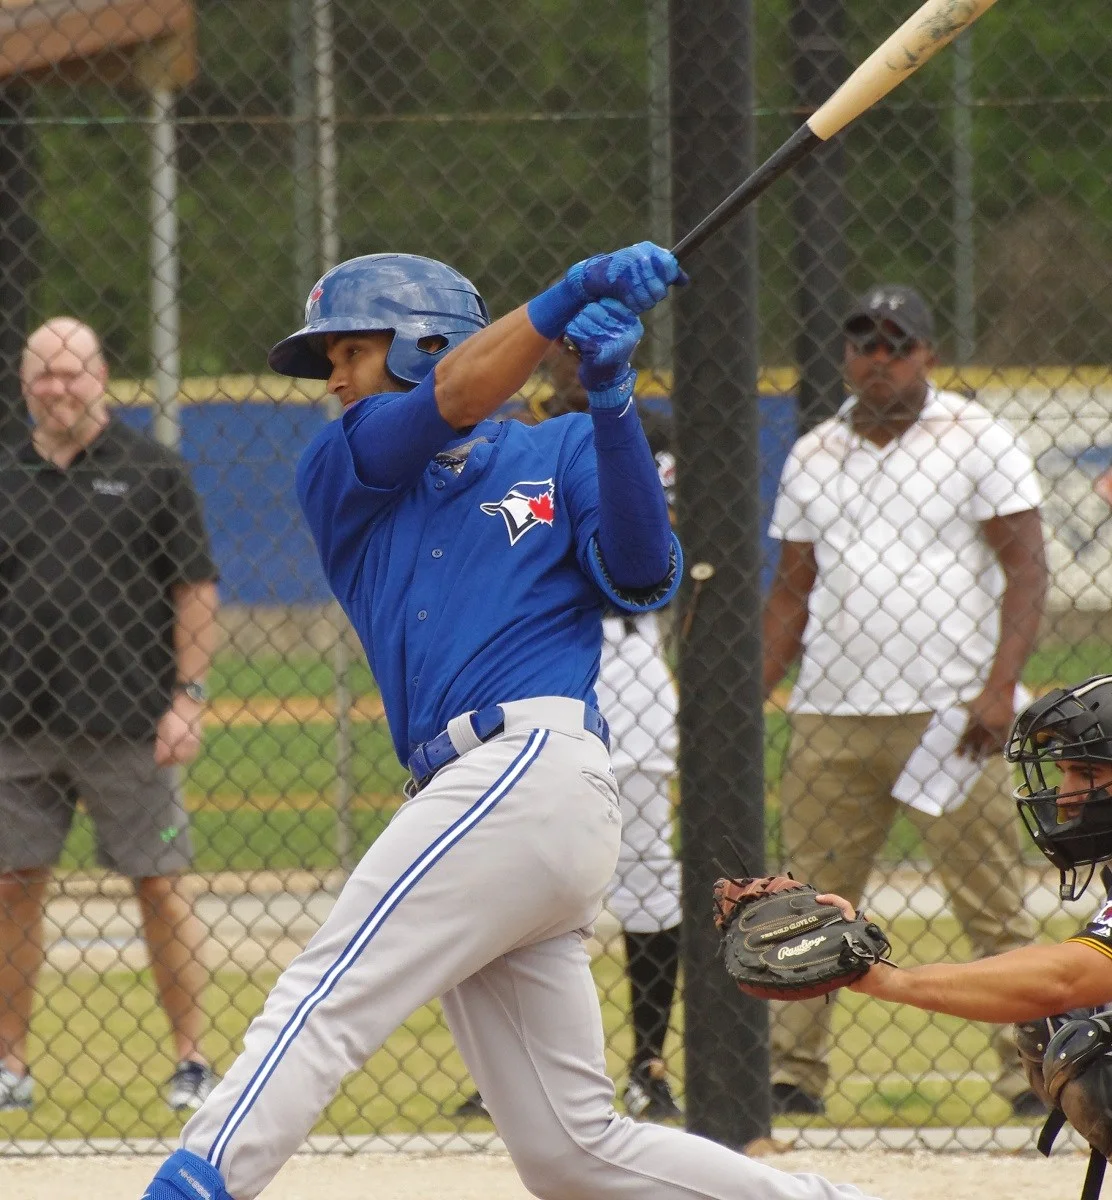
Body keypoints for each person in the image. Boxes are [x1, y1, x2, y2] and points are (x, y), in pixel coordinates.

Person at [140, 245, 884, 1200]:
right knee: (571, 1153)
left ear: (421, 344)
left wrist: (610, 403)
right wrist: (567, 295)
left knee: (323, 999)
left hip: (531, 767)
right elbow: (453, 397)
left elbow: (643, 571)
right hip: (488, 799)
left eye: (351, 352)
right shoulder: (344, 466)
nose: (330, 376)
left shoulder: (559, 448)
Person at [762, 285, 1049, 1117]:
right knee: (805, 908)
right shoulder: (815, 450)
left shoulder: (976, 438)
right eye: (863, 342)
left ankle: (1029, 1070)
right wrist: (749, 699)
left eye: (896, 343)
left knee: (994, 907)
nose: (877, 358)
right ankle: (791, 1074)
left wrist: (1000, 689)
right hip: (830, 713)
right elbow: (790, 593)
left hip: (951, 714)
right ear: (844, 355)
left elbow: (1026, 567)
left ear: (927, 354)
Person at [453, 339, 684, 1123]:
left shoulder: (649, 431)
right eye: (557, 344)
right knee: (516, 871)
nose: (565, 359)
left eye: (583, 346)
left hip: (626, 653)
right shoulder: (512, 433)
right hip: (537, 659)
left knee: (649, 867)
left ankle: (649, 1062)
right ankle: (507, 1075)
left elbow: (644, 549)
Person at [0, 318, 220, 1113]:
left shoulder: (153, 471)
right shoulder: (5, 469)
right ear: (25, 385)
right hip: (18, 721)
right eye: (43, 376)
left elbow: (194, 590)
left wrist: (186, 699)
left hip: (131, 723)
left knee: (159, 886)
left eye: (73, 372)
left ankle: (192, 1059)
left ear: (101, 377)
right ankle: (10, 1065)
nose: (58, 388)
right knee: (13, 886)